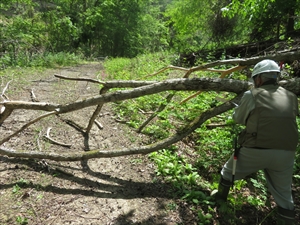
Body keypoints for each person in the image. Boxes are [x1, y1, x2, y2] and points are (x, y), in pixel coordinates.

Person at [214, 59, 298, 225]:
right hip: (286, 153)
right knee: (284, 196)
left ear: (258, 79)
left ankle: (218, 203)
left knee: (227, 173)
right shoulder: (291, 96)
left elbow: (238, 119)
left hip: (255, 149)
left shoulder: (251, 95)